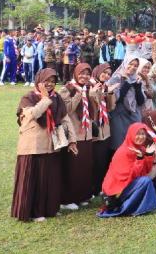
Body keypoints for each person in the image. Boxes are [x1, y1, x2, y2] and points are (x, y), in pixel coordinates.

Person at [11, 69, 77, 222]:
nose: (49, 84)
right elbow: (34, 114)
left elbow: (65, 119)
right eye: (46, 80)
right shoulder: (29, 97)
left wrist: (72, 140)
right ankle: (33, 212)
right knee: (34, 179)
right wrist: (45, 99)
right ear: (39, 80)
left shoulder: (57, 98)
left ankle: (49, 209)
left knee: (49, 179)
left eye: (53, 81)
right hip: (33, 146)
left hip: (52, 144)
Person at [98, 123, 156, 218]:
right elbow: (129, 177)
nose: (141, 137)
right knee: (145, 181)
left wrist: (148, 155)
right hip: (116, 192)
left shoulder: (141, 149)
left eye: (143, 134)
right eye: (138, 134)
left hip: (128, 185)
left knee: (151, 177)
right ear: (131, 134)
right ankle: (126, 208)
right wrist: (139, 159)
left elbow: (146, 170)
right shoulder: (123, 151)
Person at [57, 63, 96, 210]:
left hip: (87, 133)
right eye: (82, 73)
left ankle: (82, 196)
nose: (84, 76)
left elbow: (95, 110)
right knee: (72, 167)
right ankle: (67, 199)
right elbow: (65, 109)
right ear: (75, 73)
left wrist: (92, 93)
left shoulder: (88, 88)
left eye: (87, 74)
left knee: (84, 167)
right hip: (74, 134)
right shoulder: (67, 89)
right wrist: (79, 93)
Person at [90, 63, 118, 196]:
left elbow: (111, 107)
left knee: (102, 159)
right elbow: (93, 102)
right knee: (94, 160)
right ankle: (92, 188)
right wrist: (100, 92)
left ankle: (100, 186)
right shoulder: (90, 85)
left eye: (109, 74)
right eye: (104, 72)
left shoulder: (106, 86)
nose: (106, 75)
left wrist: (110, 92)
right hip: (93, 128)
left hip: (105, 127)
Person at [107, 57, 146, 151]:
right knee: (119, 144)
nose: (133, 67)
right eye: (130, 64)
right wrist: (127, 84)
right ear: (125, 64)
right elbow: (117, 99)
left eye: (136, 66)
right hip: (119, 114)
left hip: (133, 114)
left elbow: (140, 101)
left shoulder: (136, 79)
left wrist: (137, 87)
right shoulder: (116, 78)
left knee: (134, 142)